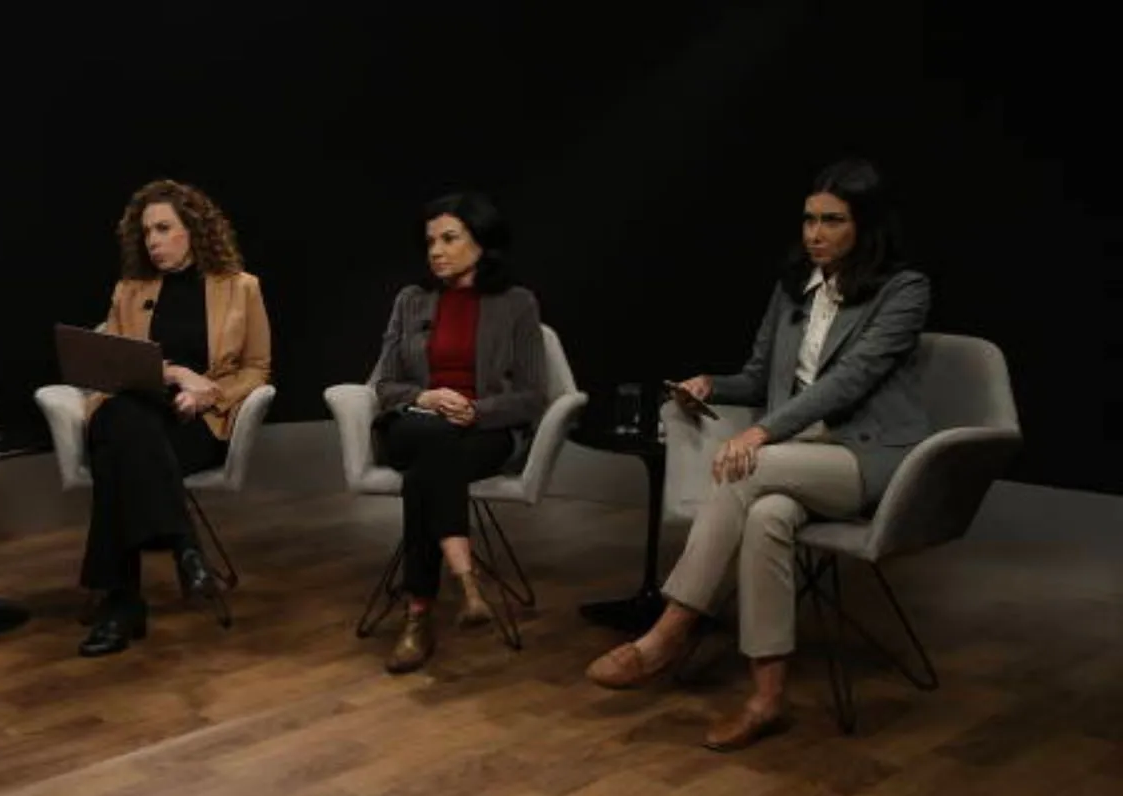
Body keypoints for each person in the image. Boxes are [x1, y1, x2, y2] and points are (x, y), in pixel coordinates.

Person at [586, 159, 932, 750]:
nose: (815, 233)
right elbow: (758, 377)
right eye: (809, 219)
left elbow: (848, 381)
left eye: (833, 221)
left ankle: (670, 630)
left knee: (743, 469)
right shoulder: (793, 287)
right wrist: (710, 386)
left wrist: (761, 434)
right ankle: (767, 699)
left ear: (866, 226)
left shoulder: (904, 290)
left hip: (868, 457)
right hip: (799, 453)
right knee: (768, 516)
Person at [76, 178, 271, 657]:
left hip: (193, 423)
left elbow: (257, 368)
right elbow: (115, 367)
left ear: (194, 229)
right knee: (126, 417)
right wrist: (178, 373)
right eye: (146, 232)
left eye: (164, 228)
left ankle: (121, 604)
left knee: (118, 457)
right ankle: (184, 545)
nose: (153, 241)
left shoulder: (241, 288)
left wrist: (209, 396)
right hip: (132, 405)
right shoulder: (130, 290)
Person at [368, 192, 547, 674]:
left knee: (427, 471)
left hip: (481, 430)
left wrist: (476, 409)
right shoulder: (411, 300)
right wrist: (425, 398)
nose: (436, 251)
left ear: (482, 243)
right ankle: (465, 579)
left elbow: (533, 395)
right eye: (430, 242)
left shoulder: (517, 304)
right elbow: (384, 384)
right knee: (432, 438)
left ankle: (418, 613)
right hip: (412, 423)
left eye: (449, 239)